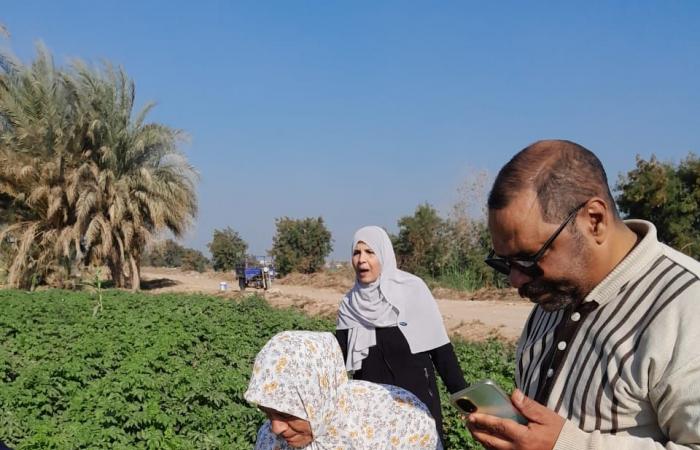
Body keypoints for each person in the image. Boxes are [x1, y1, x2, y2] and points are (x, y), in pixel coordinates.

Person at [467, 139, 700, 449]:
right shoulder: (554, 297)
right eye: (505, 263)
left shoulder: (685, 304)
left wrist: (567, 445)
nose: (515, 279)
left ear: (595, 220)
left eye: (528, 260)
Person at [335, 225, 467, 446]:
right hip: (372, 415)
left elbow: (441, 352)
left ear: (384, 254)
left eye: (370, 252)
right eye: (356, 253)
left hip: (417, 408)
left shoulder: (412, 290)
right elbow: (337, 362)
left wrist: (466, 402)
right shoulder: (349, 305)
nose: (361, 260)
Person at [244, 330, 443, 450]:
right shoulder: (270, 440)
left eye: (286, 414)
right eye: (268, 414)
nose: (276, 428)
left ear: (320, 399)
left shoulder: (400, 420)